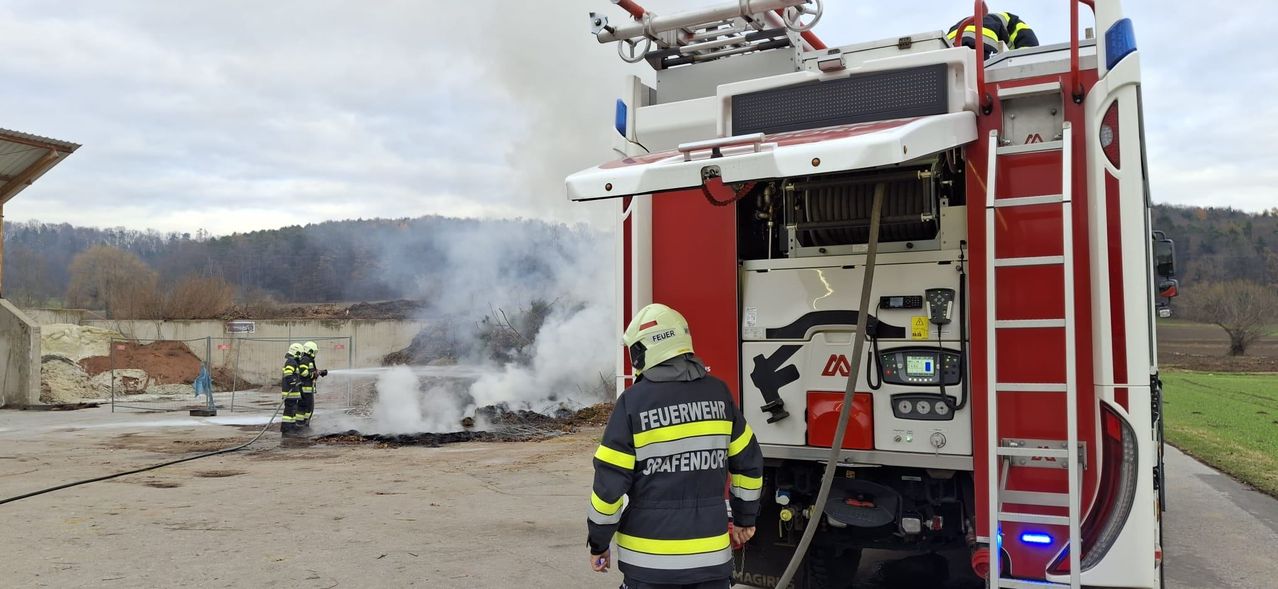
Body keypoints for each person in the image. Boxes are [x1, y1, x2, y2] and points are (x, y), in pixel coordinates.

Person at [588, 303, 764, 589]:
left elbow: (608, 489)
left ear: (645, 350)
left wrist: (599, 543)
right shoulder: (719, 393)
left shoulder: (632, 403)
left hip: (647, 563)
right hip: (711, 559)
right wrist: (745, 519)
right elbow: (749, 464)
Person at [947, 2, 1039, 59]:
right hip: (981, 42)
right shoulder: (1013, 21)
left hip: (952, 44)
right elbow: (1029, 47)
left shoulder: (992, 19)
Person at [295, 341, 328, 429]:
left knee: (306, 408)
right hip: (305, 389)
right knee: (306, 408)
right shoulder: (305, 359)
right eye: (314, 351)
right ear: (309, 351)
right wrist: (315, 374)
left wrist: (319, 372)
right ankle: (302, 425)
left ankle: (302, 424)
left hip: (307, 389)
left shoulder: (308, 359)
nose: (315, 354)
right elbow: (303, 372)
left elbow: (310, 371)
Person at [280, 342, 304, 437]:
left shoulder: (293, 361)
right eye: (300, 354)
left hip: (293, 392)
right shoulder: (291, 362)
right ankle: (286, 429)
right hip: (289, 392)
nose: (301, 356)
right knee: (289, 411)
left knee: (293, 410)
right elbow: (288, 373)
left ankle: (292, 426)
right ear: (296, 352)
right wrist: (293, 382)